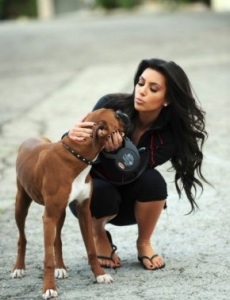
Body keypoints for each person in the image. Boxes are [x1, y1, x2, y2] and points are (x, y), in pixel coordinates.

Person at [67, 58, 209, 271]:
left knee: (155, 182)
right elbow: (75, 154)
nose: (141, 91)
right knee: (103, 191)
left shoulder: (168, 137)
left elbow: (133, 171)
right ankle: (98, 235)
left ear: (167, 99)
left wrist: (115, 152)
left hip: (128, 205)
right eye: (140, 83)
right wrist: (72, 136)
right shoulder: (110, 105)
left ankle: (144, 243)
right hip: (90, 198)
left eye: (153, 89)